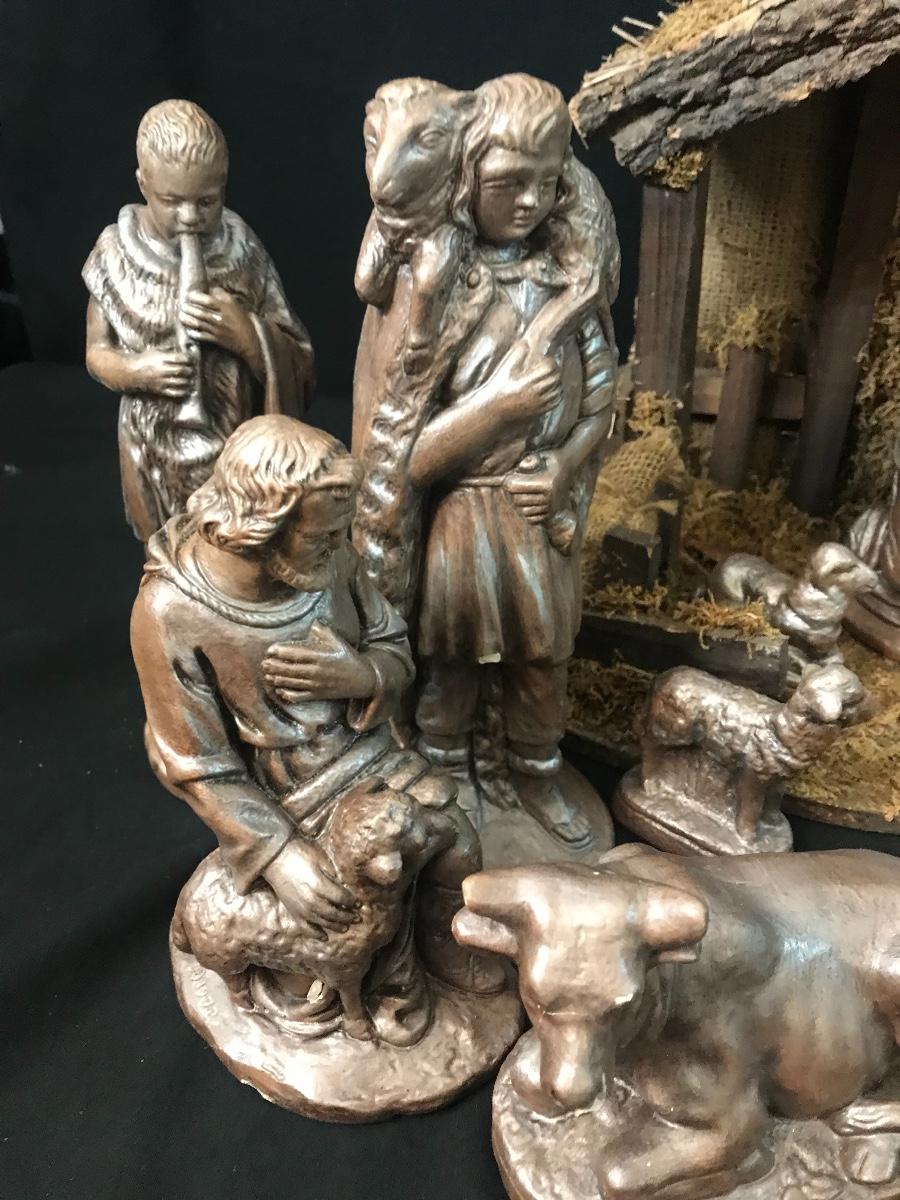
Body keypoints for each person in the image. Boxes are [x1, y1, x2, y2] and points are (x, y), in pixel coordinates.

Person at [130, 414, 502, 1043]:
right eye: (324, 536)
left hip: (363, 752)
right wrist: (279, 855)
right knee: (336, 909)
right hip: (277, 793)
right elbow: (197, 766)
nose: (340, 546)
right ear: (264, 527)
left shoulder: (331, 563)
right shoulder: (170, 611)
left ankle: (441, 949)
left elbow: (391, 644)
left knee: (456, 842)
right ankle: (367, 988)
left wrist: (360, 675)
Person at [402, 75, 618, 846]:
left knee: (542, 659)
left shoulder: (568, 288)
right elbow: (407, 453)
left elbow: (601, 402)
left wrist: (564, 466)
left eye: (546, 184)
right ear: (466, 180)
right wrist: (496, 408)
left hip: (535, 508)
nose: (528, 202)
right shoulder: (441, 291)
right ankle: (443, 767)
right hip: (462, 513)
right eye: (507, 184)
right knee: (453, 656)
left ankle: (535, 768)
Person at [84, 100, 314, 541]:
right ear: (143, 184)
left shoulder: (241, 248)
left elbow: (297, 354)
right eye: (172, 202)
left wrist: (248, 337)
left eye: (206, 201)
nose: (190, 217)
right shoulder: (116, 254)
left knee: (234, 550)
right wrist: (136, 371)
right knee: (167, 549)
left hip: (232, 443)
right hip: (152, 448)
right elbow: (96, 352)